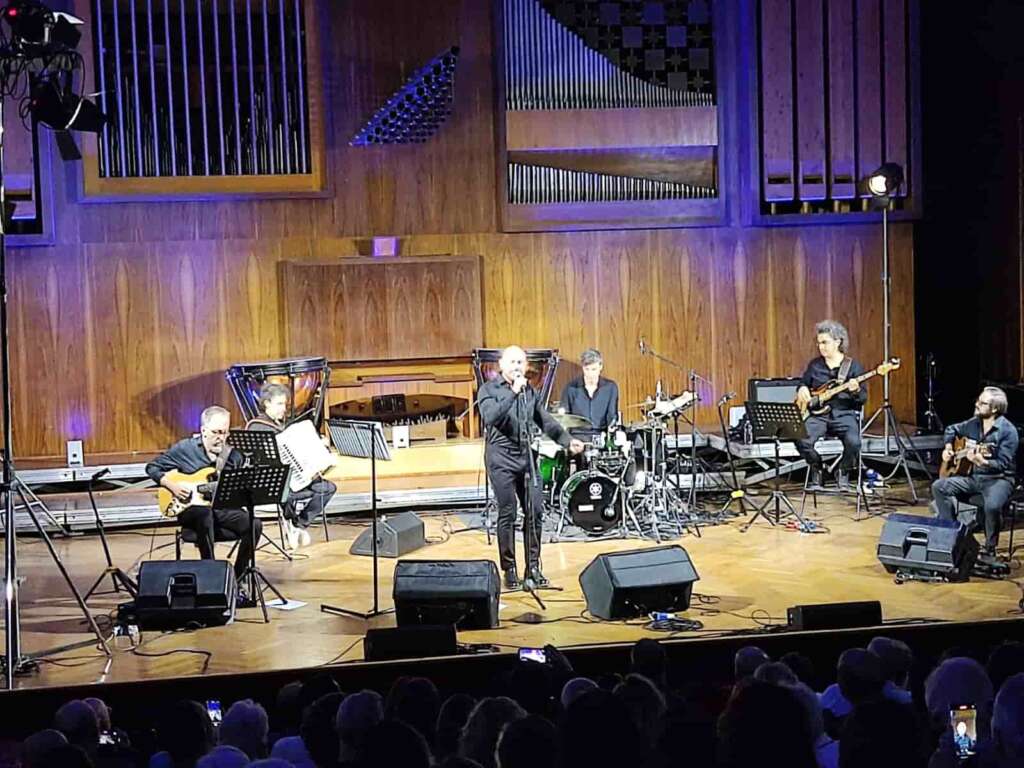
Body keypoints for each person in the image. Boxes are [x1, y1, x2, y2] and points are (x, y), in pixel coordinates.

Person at [478, 346, 585, 589]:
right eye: (512, 362)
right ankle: (509, 569)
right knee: (508, 512)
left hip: (526, 456)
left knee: (535, 511)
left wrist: (567, 441)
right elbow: (491, 416)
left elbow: (545, 421)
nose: (517, 366)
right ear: (502, 365)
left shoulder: (530, 392)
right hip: (501, 458)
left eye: (520, 362)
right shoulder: (488, 390)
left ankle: (533, 567)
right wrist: (513, 392)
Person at [145, 406, 261, 581]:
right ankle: (211, 573)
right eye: (216, 432)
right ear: (203, 430)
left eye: (225, 433)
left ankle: (237, 577)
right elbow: (152, 468)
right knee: (204, 514)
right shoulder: (186, 449)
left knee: (255, 524)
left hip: (220, 509)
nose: (221, 438)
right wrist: (173, 487)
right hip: (190, 509)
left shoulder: (233, 456)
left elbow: (235, 492)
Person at [247, 382, 336, 549]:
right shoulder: (257, 427)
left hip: (297, 477)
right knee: (285, 495)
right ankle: (292, 522)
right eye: (279, 404)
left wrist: (318, 446)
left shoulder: (286, 425)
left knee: (328, 488)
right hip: (274, 482)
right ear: (266, 404)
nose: (283, 408)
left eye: (284, 404)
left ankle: (298, 524)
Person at [931, 386, 1018, 558]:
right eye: (978, 400)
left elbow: (1002, 464)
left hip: (999, 479)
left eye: (982, 403)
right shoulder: (974, 423)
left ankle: (990, 548)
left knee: (992, 506)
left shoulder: (1008, 431)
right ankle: (951, 535)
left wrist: (982, 461)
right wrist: (948, 448)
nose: (977, 404)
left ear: (995, 409)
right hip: (974, 477)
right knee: (939, 487)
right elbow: (951, 429)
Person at [794, 320, 866, 491]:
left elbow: (862, 399)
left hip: (843, 414)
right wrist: (802, 388)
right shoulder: (815, 365)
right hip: (819, 416)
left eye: (825, 342)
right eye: (819, 343)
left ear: (838, 342)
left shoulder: (853, 367)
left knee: (854, 443)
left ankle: (843, 471)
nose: (821, 347)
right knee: (801, 440)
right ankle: (818, 469)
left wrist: (855, 391)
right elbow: (803, 383)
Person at [559, 348, 619, 432]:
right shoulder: (570, 389)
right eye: (587, 369)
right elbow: (564, 418)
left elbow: (612, 415)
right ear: (583, 368)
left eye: (594, 369)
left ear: (600, 367)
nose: (590, 374)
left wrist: (612, 428)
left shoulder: (610, 388)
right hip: (578, 435)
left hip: (601, 434)